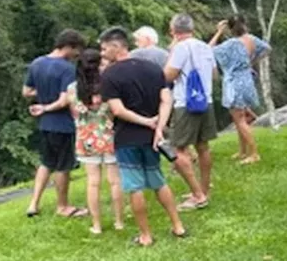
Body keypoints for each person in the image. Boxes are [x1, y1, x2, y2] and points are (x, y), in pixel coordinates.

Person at [99, 27, 186, 246]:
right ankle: (178, 226)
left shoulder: (109, 75)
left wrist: (146, 122)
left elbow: (118, 110)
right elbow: (167, 99)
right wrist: (158, 127)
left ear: (116, 47)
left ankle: (146, 235)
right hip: (152, 138)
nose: (102, 53)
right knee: (158, 181)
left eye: (104, 48)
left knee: (134, 186)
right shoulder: (153, 68)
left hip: (127, 138)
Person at [23, 29, 86, 219]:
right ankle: (63, 206)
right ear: (69, 46)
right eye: (77, 50)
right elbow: (64, 100)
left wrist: (41, 96)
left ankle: (33, 204)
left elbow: (26, 91)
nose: (78, 55)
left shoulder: (37, 63)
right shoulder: (67, 69)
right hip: (62, 124)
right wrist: (46, 107)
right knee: (62, 166)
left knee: (45, 163)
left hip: (45, 125)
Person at [67, 48, 124, 235]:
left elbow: (74, 113)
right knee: (115, 181)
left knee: (93, 182)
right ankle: (119, 221)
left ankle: (97, 225)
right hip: (109, 135)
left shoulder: (73, 89)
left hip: (86, 138)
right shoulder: (108, 85)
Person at [163, 13, 216, 209]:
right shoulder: (205, 47)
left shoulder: (179, 48)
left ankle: (197, 195)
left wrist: (171, 52)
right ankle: (204, 188)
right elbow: (214, 74)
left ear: (173, 31)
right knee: (203, 146)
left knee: (178, 149)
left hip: (185, 103)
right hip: (206, 100)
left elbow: (168, 75)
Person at [210, 15, 271, 164]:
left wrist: (218, 32)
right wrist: (251, 61)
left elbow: (208, 49)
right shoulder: (251, 39)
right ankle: (243, 151)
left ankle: (254, 153)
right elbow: (267, 49)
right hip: (247, 78)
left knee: (239, 119)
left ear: (230, 28)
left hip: (234, 82)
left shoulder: (231, 44)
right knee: (240, 118)